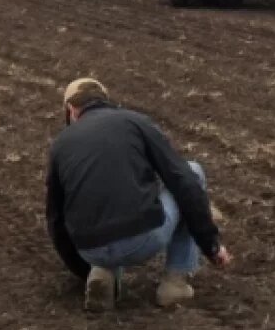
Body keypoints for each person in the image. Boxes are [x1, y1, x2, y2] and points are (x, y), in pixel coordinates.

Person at [45, 77, 232, 312]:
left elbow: (55, 219)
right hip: (142, 241)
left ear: (71, 109)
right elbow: (184, 182)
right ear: (105, 100)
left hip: (90, 249)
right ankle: (175, 284)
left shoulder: (60, 145)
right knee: (192, 172)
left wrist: (83, 267)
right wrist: (210, 245)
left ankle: (101, 272)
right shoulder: (135, 122)